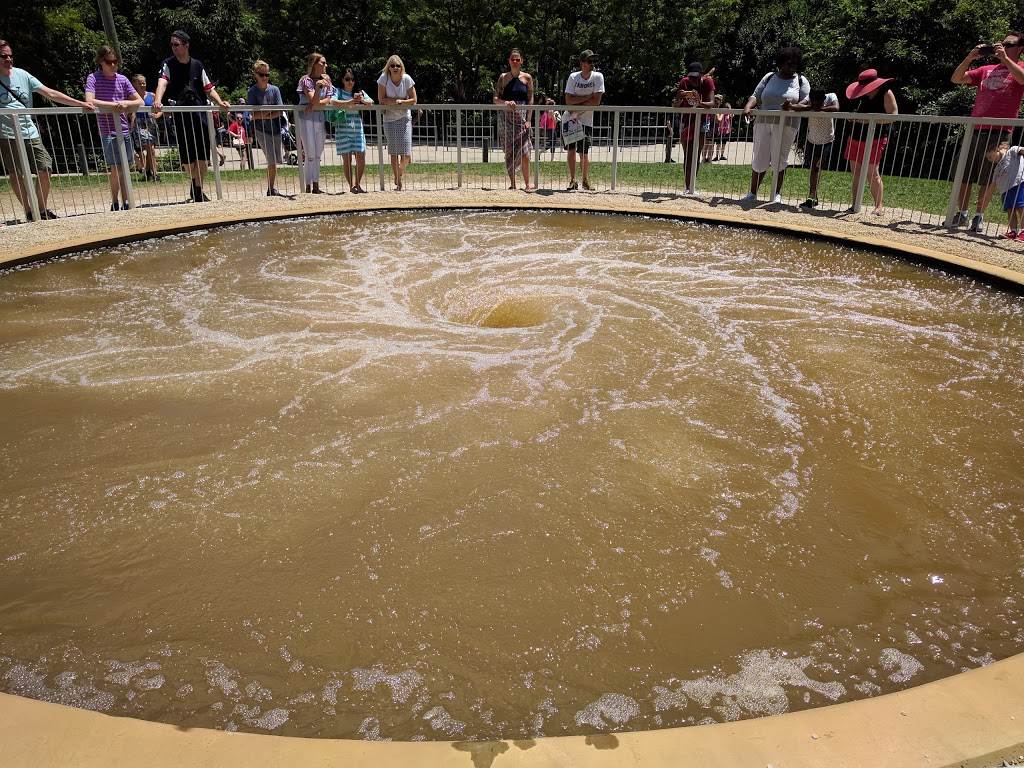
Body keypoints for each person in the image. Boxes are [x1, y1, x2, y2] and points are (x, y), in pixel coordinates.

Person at [0, 38, 95, 221]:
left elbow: (50, 93)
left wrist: (80, 103)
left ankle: (40, 210)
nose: (9, 59)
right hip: (6, 133)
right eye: (4, 56)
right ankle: (29, 211)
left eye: (10, 55)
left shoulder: (23, 74)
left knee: (45, 167)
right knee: (16, 173)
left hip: (29, 131)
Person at [950, 33, 1024, 231]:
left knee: (989, 176)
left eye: (1009, 44)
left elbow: (1023, 80)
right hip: (976, 129)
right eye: (1002, 43)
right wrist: (970, 58)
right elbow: (956, 79)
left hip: (1000, 131)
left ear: (1020, 48)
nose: (1003, 46)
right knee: (965, 173)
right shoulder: (985, 69)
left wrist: (1006, 60)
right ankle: (962, 214)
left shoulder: (1019, 67)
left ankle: (978, 216)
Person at [152, 30, 231, 203]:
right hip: (181, 116)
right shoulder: (168, 64)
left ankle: (196, 189)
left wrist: (220, 102)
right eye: (171, 44)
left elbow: (209, 88)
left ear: (186, 46)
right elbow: (162, 83)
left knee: (202, 156)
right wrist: (157, 100)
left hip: (200, 114)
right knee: (187, 159)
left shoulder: (198, 65)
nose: (173, 47)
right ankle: (196, 185)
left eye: (176, 44)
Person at [740, 46, 810, 204]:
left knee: (780, 158)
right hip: (763, 122)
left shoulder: (801, 81)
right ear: (781, 63)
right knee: (759, 157)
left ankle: (776, 193)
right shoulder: (769, 77)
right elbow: (756, 95)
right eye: (788, 63)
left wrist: (791, 107)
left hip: (787, 124)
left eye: (794, 64)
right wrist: (748, 107)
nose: (792, 67)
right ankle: (752, 192)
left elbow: (806, 102)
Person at [85, 45, 143, 212]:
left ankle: (126, 201)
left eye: (115, 62)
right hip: (107, 129)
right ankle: (115, 201)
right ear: (101, 62)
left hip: (124, 128)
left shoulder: (123, 79)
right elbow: (90, 100)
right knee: (116, 167)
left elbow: (138, 101)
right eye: (110, 62)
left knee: (125, 166)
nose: (113, 65)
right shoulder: (93, 78)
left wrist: (125, 103)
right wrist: (113, 106)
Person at [843, 68, 898, 215]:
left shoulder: (886, 93)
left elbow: (893, 116)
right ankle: (855, 205)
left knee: (872, 173)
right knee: (856, 174)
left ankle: (878, 207)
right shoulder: (858, 95)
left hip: (876, 138)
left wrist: (868, 121)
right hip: (855, 136)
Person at [788, 87, 839, 208]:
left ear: (824, 99)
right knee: (813, 167)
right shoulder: (808, 101)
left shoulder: (831, 96)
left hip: (827, 140)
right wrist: (809, 107)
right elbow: (796, 107)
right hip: (812, 140)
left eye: (819, 102)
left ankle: (812, 197)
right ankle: (813, 197)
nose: (816, 104)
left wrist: (821, 109)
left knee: (817, 167)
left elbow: (836, 107)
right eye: (814, 102)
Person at [493, 48, 535, 190]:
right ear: (509, 61)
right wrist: (506, 103)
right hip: (506, 120)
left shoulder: (527, 78)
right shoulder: (503, 77)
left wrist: (529, 120)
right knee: (509, 152)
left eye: (518, 59)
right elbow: (495, 98)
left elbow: (530, 100)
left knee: (525, 152)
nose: (515, 62)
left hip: (522, 120)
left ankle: (527, 183)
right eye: (513, 59)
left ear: (521, 61)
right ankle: (513, 184)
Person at [563, 49, 605, 191]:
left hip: (586, 120)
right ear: (582, 63)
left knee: (584, 152)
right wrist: (588, 97)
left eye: (594, 61)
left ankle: (585, 180)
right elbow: (568, 100)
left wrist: (577, 103)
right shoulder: (573, 77)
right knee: (571, 150)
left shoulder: (598, 77)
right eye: (589, 61)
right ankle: (572, 180)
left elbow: (596, 102)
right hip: (570, 118)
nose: (592, 64)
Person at [672, 61, 715, 195]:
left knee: (696, 154)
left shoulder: (708, 82)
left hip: (701, 121)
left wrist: (699, 102)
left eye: (695, 77)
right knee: (688, 155)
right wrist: (679, 98)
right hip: (686, 121)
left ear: (701, 75)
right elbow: (675, 105)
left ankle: (692, 186)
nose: (693, 80)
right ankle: (687, 186)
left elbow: (711, 104)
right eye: (691, 77)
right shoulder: (684, 82)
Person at [330, 67, 373, 193]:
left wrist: (362, 100)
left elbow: (371, 101)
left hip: (357, 127)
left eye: (352, 79)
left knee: (361, 156)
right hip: (342, 126)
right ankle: (351, 186)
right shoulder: (339, 91)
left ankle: (357, 183)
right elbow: (332, 101)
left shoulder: (359, 92)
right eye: (347, 79)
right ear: (342, 80)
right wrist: (347, 102)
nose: (350, 82)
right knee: (347, 158)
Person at [377, 55, 417, 191]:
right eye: (392, 65)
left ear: (401, 67)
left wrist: (397, 102)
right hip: (389, 119)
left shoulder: (407, 79)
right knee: (393, 153)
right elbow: (381, 99)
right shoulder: (383, 79)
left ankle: (399, 172)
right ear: (388, 67)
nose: (395, 68)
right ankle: (398, 181)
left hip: (404, 118)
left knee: (406, 155)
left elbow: (414, 100)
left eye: (398, 66)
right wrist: (394, 102)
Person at [247, 59, 285, 196]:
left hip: (276, 128)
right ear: (255, 75)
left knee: (277, 160)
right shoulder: (252, 92)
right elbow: (252, 114)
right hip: (261, 130)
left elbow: (280, 111)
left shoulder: (275, 90)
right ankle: (271, 189)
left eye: (267, 75)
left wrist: (263, 113)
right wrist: (270, 112)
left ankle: (271, 187)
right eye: (262, 75)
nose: (265, 77)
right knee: (271, 160)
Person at [297, 52, 332, 194]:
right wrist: (317, 90)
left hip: (320, 119)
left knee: (318, 154)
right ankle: (308, 186)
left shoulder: (327, 80)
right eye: (323, 63)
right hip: (306, 119)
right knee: (310, 154)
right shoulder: (305, 80)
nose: (325, 66)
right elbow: (314, 99)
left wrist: (317, 103)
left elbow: (327, 99)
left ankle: (316, 185)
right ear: (314, 64)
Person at [985, 140, 1024, 239]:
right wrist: (984, 200)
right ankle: (1013, 231)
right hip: (1005, 191)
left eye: (990, 157)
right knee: (1010, 210)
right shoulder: (997, 168)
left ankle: (1023, 231)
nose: (991, 160)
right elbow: (993, 184)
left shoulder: (1012, 151)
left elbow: (1022, 151)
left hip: (1017, 184)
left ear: (997, 149)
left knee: (1021, 208)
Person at [131, 74, 159, 182]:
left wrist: (157, 115)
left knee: (150, 150)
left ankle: (148, 171)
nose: (142, 85)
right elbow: (130, 112)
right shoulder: (132, 97)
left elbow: (160, 109)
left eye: (144, 83)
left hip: (151, 123)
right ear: (134, 84)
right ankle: (155, 173)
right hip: (140, 124)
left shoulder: (151, 96)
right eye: (140, 83)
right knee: (150, 148)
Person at [712, 96, 732, 161]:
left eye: (727, 108)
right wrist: (723, 113)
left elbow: (732, 116)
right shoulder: (721, 113)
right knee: (718, 143)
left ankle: (722, 155)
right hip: (720, 130)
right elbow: (719, 120)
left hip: (726, 131)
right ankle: (717, 155)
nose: (726, 109)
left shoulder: (729, 114)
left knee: (723, 143)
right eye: (725, 107)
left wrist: (730, 109)